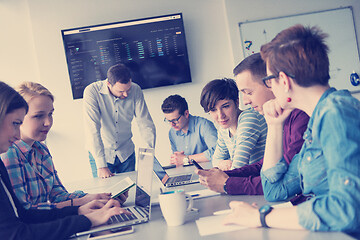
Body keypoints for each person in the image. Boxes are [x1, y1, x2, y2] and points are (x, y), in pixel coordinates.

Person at [224, 25, 360, 235]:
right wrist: (274, 125)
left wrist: (261, 216)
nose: (270, 87)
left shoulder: (336, 115)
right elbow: (274, 191)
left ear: (284, 81)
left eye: (269, 80)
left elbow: (347, 210)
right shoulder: (318, 120)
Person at [0, 81, 127, 240]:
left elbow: (55, 196)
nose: (48, 122)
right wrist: (83, 214)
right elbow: (24, 218)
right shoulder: (8, 155)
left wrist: (89, 201)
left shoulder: (40, 148)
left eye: (50, 114)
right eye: (38, 116)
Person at [196, 53, 309, 202]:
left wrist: (226, 183)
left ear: (272, 84)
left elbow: (276, 186)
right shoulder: (282, 117)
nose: (246, 101)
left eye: (249, 92)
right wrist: (227, 176)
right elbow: (264, 164)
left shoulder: (301, 118)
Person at [83, 63, 156, 178]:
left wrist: (148, 157)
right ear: (108, 84)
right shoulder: (92, 91)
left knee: (129, 193)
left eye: (128, 89)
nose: (126, 94)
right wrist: (101, 166)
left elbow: (145, 123)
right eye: (121, 91)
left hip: (126, 153)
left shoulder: (135, 90)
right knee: (105, 193)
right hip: (102, 154)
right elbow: (93, 129)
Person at [200, 78, 267, 170]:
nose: (220, 116)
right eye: (213, 110)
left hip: (263, 180)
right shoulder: (224, 129)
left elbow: (239, 167)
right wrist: (221, 163)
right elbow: (215, 159)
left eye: (226, 106)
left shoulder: (249, 118)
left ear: (237, 102)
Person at [161, 94, 217, 166]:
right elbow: (178, 159)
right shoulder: (172, 132)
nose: (172, 124)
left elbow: (216, 152)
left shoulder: (204, 125)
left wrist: (186, 158)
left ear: (186, 113)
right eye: (168, 121)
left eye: (175, 120)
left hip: (208, 172)